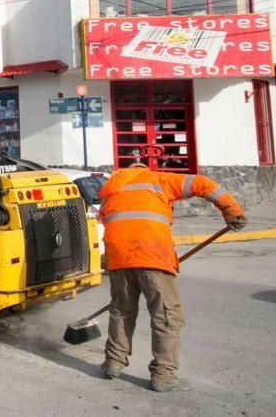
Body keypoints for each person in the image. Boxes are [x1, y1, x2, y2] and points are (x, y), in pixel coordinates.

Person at [98, 163, 247, 392]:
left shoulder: (111, 189)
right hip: (152, 254)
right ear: (145, 169)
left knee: (121, 310)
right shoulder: (158, 180)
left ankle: (113, 363)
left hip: (118, 257)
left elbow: (110, 221)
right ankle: (163, 375)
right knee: (166, 315)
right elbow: (202, 184)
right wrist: (231, 211)